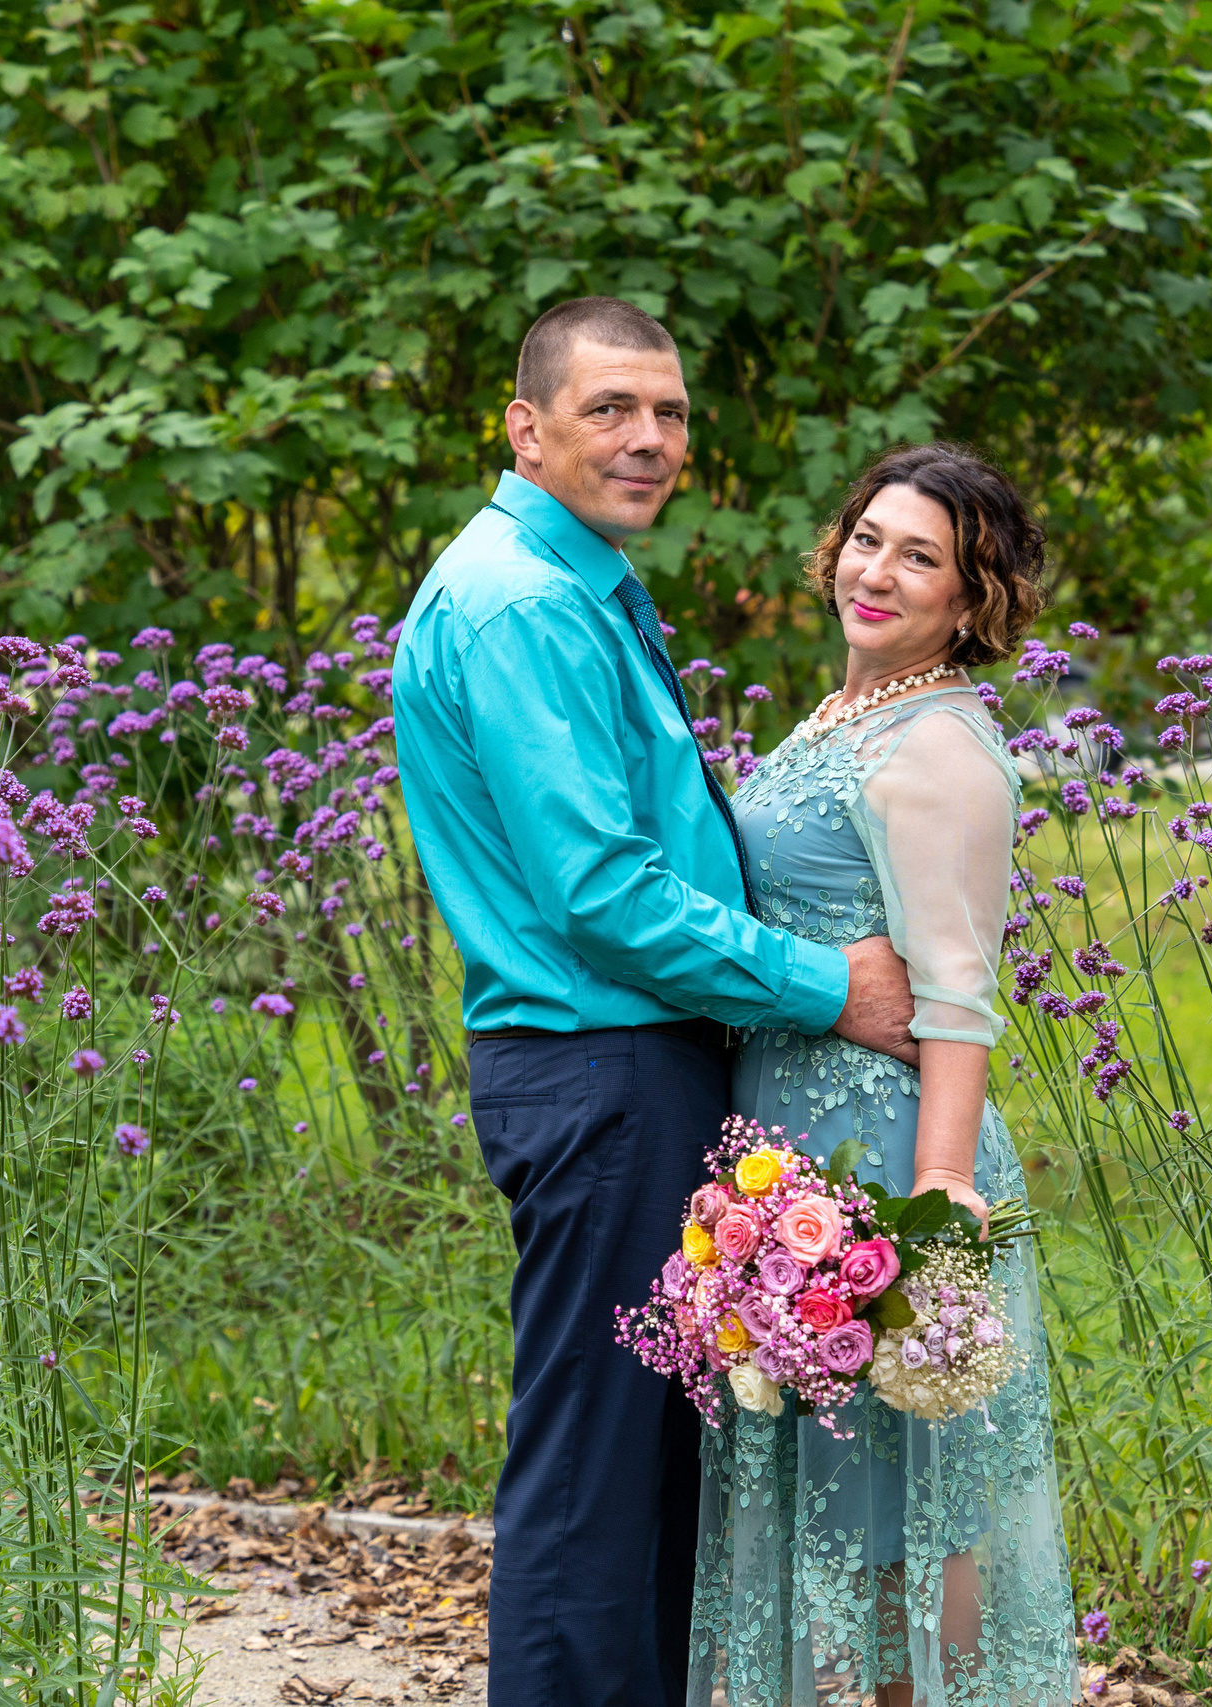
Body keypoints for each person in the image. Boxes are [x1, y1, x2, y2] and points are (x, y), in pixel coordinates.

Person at [393, 295, 922, 1707]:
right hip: (601, 1068)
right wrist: (830, 987)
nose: (648, 438)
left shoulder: (569, 581)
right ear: (527, 426)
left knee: (642, 1479)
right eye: (610, 408)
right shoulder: (520, 602)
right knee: (594, 1483)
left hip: (631, 1065)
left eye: (671, 411)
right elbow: (599, 892)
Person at [690, 442, 1074, 1706]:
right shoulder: (851, 711)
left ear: (971, 602)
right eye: (869, 538)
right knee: (835, 1496)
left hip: (887, 1171)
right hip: (790, 1149)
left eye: (923, 558)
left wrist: (944, 1190)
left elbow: (957, 992)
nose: (879, 571)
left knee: (907, 1510)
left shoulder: (942, 752)